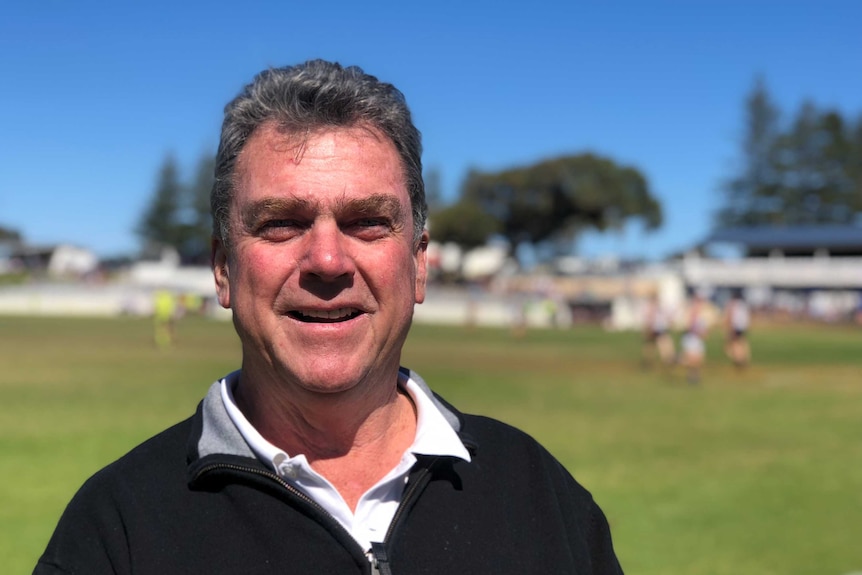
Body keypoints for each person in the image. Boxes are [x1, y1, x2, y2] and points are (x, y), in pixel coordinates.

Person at [34, 60, 623, 574]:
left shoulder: (539, 494)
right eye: (281, 223)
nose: (326, 260)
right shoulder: (117, 529)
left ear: (418, 265)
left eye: (367, 222)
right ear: (222, 269)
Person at [679, 293, 709, 384]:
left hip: (698, 339)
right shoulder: (691, 313)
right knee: (691, 360)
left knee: (699, 361)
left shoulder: (702, 314)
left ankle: (695, 377)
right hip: (691, 339)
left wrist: (704, 332)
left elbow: (704, 328)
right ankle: (692, 377)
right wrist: (698, 331)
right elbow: (688, 327)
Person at [641, 292, 675, 368]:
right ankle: (667, 359)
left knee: (653, 345)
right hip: (655, 327)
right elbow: (649, 318)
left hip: (658, 327)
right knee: (656, 344)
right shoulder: (651, 307)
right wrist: (648, 327)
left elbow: (666, 316)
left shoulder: (658, 307)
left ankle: (649, 362)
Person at [723, 291, 751, 369]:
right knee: (741, 343)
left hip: (735, 326)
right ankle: (743, 360)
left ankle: (739, 361)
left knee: (734, 345)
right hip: (743, 326)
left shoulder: (733, 304)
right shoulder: (743, 304)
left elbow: (730, 315)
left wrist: (729, 328)